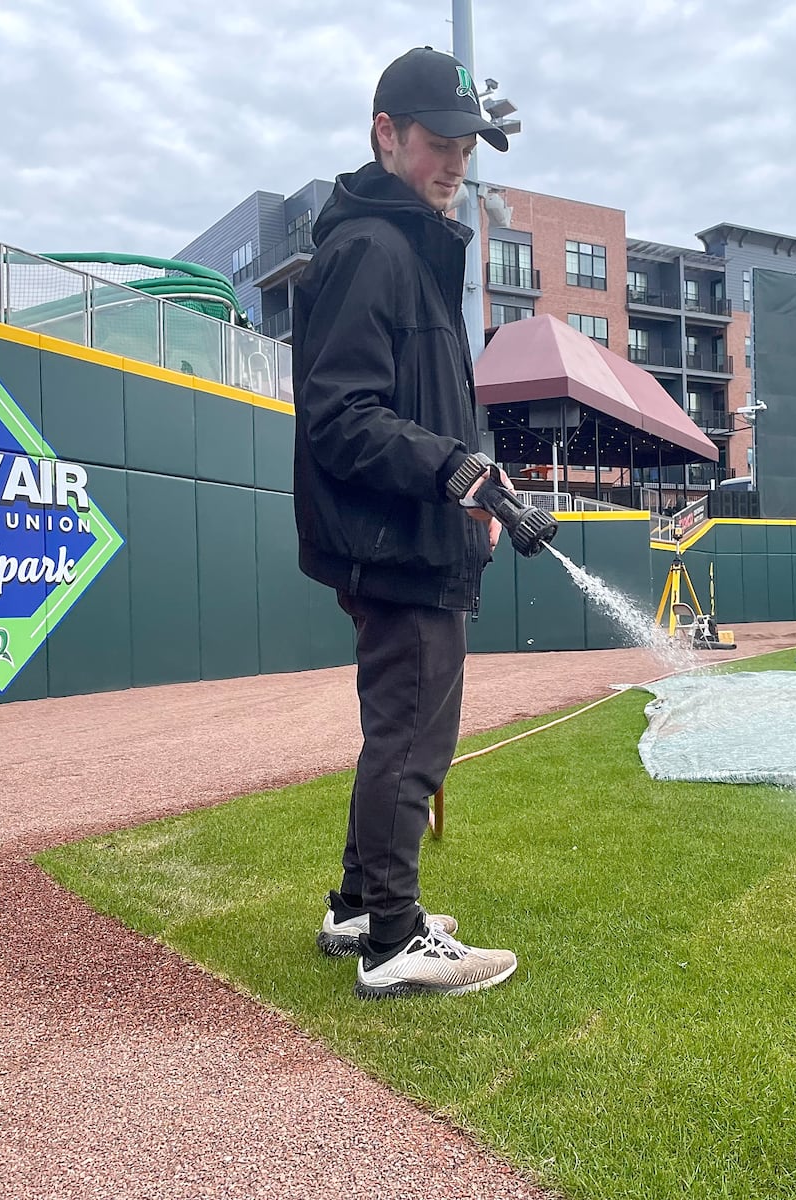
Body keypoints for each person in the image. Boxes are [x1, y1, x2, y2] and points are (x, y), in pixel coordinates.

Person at [292, 46, 518, 1000]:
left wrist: (474, 487)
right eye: (438, 140)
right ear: (385, 133)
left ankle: (356, 906)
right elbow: (341, 416)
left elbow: (422, 412)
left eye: (468, 144)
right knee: (412, 741)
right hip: (395, 545)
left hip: (414, 533)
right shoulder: (372, 250)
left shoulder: (407, 247)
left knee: (396, 729)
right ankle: (392, 936)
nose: (456, 161)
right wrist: (452, 470)